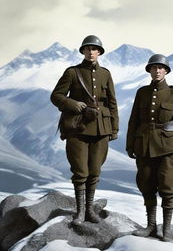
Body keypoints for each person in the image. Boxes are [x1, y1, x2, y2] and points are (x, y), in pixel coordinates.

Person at [51, 35, 119, 225]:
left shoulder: (106, 74)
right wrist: (73, 104)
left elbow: (112, 103)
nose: (91, 52)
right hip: (78, 128)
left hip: (101, 129)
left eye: (94, 49)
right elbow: (56, 96)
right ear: (83, 51)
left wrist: (114, 128)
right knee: (80, 171)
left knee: (95, 171)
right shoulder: (72, 72)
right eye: (87, 49)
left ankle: (90, 210)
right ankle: (80, 212)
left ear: (99, 52)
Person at [126, 54, 173, 241]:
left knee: (167, 186)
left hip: (168, 150)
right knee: (146, 184)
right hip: (144, 147)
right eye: (153, 68)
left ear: (166, 71)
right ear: (149, 71)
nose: (157, 71)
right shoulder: (142, 93)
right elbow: (134, 121)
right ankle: (150, 226)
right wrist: (130, 144)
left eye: (160, 68)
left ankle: (167, 229)